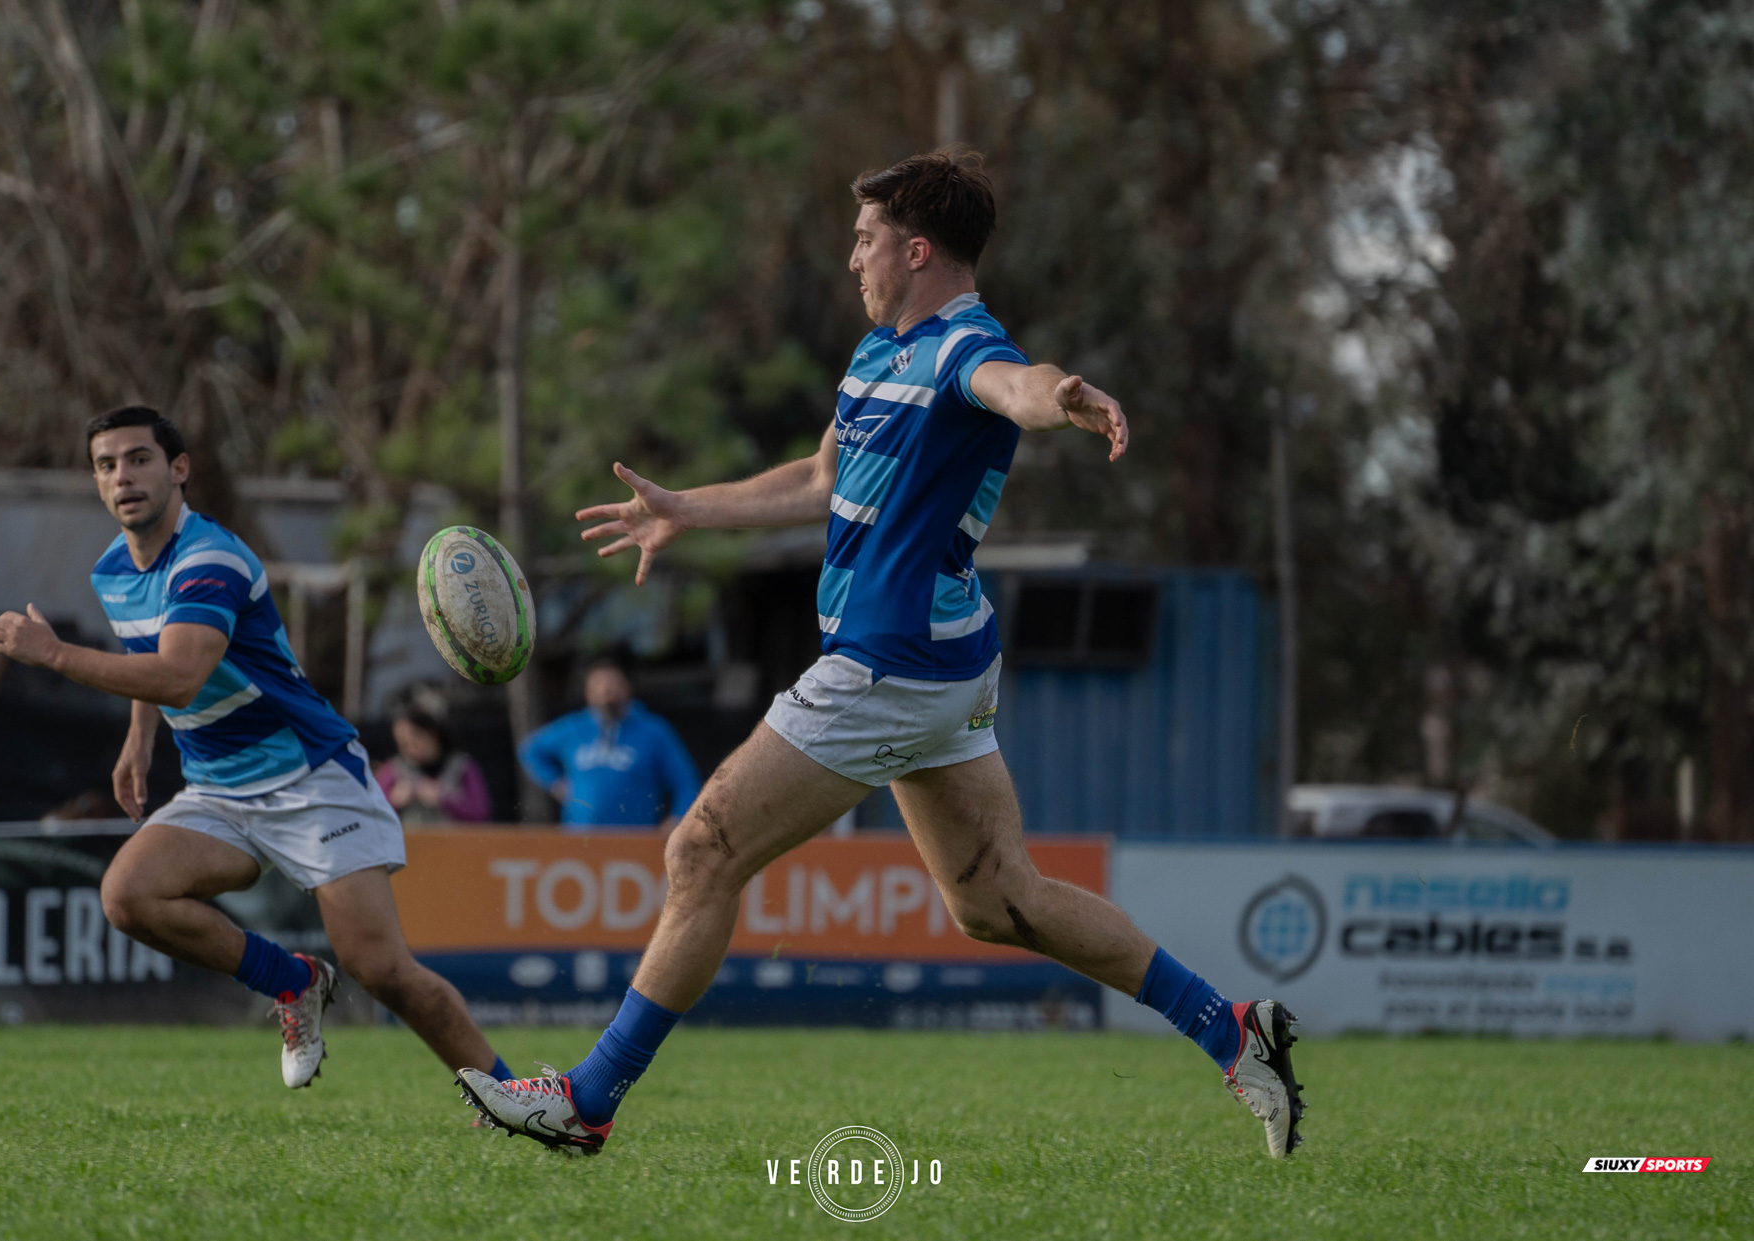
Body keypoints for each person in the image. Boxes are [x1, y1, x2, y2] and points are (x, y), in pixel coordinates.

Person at [457, 150, 1306, 1159]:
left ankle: (588, 1097)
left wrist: (1060, 394)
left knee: (701, 849)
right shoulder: (875, 355)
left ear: (915, 248)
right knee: (999, 901)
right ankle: (1233, 1028)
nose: (851, 256)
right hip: (941, 665)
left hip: (887, 665)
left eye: (865, 239)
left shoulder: (963, 349)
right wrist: (690, 508)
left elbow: (1014, 383)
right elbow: (821, 475)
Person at [0, 407, 514, 1091]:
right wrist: (138, 740)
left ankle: (517, 1095)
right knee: (128, 895)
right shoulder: (113, 571)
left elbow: (179, 672)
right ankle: (294, 982)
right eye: (107, 465)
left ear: (178, 469)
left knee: (382, 969)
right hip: (220, 788)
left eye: (139, 458)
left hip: (311, 776)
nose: (122, 476)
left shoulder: (210, 559)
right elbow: (151, 654)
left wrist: (52, 653)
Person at [516, 655, 701, 830]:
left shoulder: (653, 730)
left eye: (613, 684)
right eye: (598, 685)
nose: (606, 691)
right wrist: (556, 783)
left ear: (628, 688)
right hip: (580, 838)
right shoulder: (573, 728)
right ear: (587, 693)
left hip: (636, 840)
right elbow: (531, 750)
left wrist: (677, 819)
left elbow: (686, 782)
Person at [377, 686, 494, 825]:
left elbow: (482, 814)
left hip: (455, 843)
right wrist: (394, 801)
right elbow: (372, 814)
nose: (409, 749)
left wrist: (444, 799)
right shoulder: (394, 769)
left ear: (433, 733)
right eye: (403, 745)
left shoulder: (463, 766)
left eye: (415, 740)